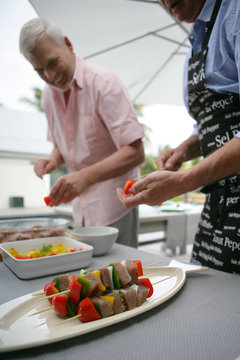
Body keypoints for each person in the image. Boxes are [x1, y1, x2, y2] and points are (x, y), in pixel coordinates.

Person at [117, 0, 240, 273]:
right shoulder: (196, 42)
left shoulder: (235, 12)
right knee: (207, 291)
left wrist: (183, 181)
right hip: (219, 202)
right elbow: (213, 123)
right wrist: (184, 150)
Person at [19, 18, 145, 247]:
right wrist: (52, 160)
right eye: (39, 70)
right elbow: (61, 144)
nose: (49, 76)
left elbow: (135, 153)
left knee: (123, 279)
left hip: (116, 207)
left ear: (67, 44)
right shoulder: (48, 95)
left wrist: (83, 178)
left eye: (52, 62)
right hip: (81, 213)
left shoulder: (104, 82)